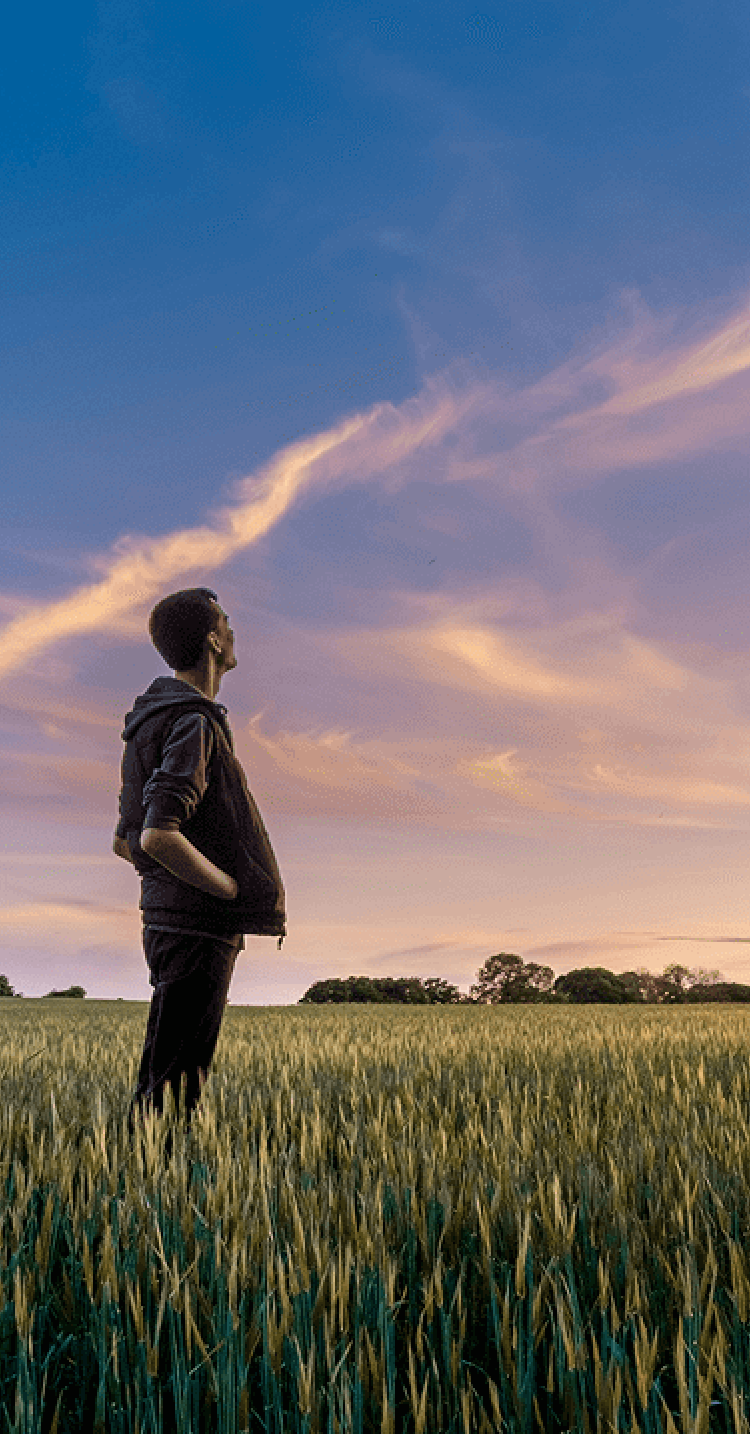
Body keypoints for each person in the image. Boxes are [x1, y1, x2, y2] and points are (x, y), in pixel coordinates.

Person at [113, 588, 286, 1160]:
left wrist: (170, 884)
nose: (234, 632)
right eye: (227, 623)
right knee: (178, 1084)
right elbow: (156, 835)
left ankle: (137, 1179)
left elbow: (123, 840)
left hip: (166, 921)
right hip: (197, 926)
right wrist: (228, 888)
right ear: (213, 640)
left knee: (165, 1074)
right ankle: (152, 1189)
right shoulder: (193, 721)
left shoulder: (148, 722)